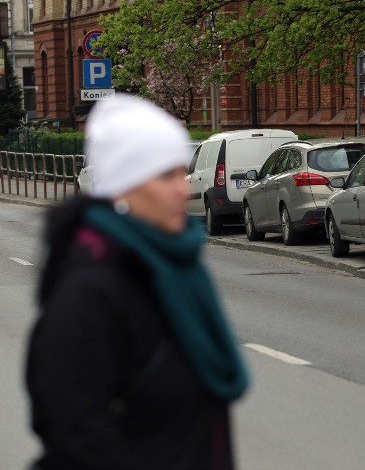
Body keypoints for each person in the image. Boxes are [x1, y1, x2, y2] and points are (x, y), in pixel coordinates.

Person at [26, 94, 249, 470]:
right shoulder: (89, 292)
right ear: (122, 188)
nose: (183, 189)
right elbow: (75, 433)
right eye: (165, 176)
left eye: (181, 172)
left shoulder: (176, 268)